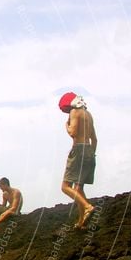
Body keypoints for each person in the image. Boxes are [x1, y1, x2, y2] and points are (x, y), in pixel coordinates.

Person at [58, 92, 97, 229]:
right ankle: (81, 222)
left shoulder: (75, 112)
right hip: (89, 151)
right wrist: (91, 154)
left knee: (65, 186)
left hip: (79, 149)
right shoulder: (88, 114)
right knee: (78, 188)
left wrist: (66, 126)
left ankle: (87, 207)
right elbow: (94, 139)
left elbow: (73, 133)